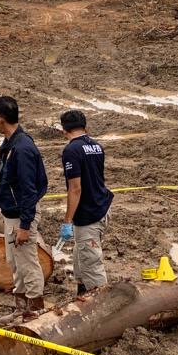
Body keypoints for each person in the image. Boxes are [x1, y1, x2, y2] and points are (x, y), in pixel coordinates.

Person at [0, 96, 49, 316]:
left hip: (22, 214)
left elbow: (29, 190)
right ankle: (21, 309)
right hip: (11, 214)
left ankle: (35, 311)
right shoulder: (9, 145)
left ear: (0, 119)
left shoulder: (22, 149)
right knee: (15, 262)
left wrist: (25, 225)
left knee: (27, 263)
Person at [58, 110, 114, 296]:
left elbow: (75, 189)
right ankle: (82, 295)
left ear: (64, 130)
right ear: (85, 126)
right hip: (101, 206)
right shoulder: (96, 146)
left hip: (89, 214)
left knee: (91, 263)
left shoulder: (71, 150)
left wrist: (67, 221)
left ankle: (103, 306)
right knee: (80, 258)